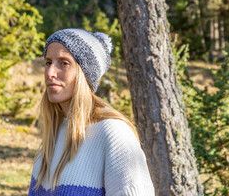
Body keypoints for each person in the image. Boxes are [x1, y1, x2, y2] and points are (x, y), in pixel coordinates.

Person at [28, 28, 154, 196]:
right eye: (48, 62)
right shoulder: (55, 131)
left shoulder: (113, 133)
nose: (50, 73)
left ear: (84, 74)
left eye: (64, 63)